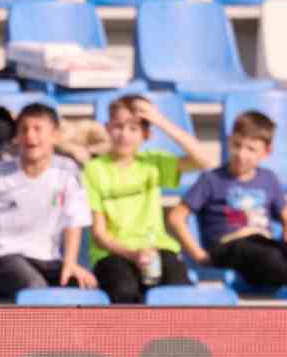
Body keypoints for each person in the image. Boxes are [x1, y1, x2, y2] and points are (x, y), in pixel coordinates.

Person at [0, 102, 96, 298]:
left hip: (47, 257)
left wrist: (70, 263)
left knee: (83, 287)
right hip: (3, 255)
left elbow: (74, 220)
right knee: (34, 289)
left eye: (38, 129)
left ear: (55, 135)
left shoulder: (67, 171)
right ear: (17, 137)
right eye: (24, 129)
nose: (30, 135)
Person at [82, 95, 212, 304]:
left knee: (179, 292)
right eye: (118, 127)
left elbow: (204, 161)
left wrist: (159, 120)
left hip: (157, 249)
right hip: (112, 254)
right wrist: (133, 254)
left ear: (146, 134)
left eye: (133, 128)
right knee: (124, 291)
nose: (124, 135)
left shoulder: (153, 163)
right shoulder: (94, 170)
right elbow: (99, 234)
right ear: (107, 128)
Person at [168, 110, 287, 288]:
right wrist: (199, 254)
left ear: (266, 152)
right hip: (228, 246)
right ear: (229, 141)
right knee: (266, 256)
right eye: (237, 145)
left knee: (270, 254)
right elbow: (176, 217)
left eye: (251, 149)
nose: (241, 154)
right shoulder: (211, 179)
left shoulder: (268, 179)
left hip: (263, 246)